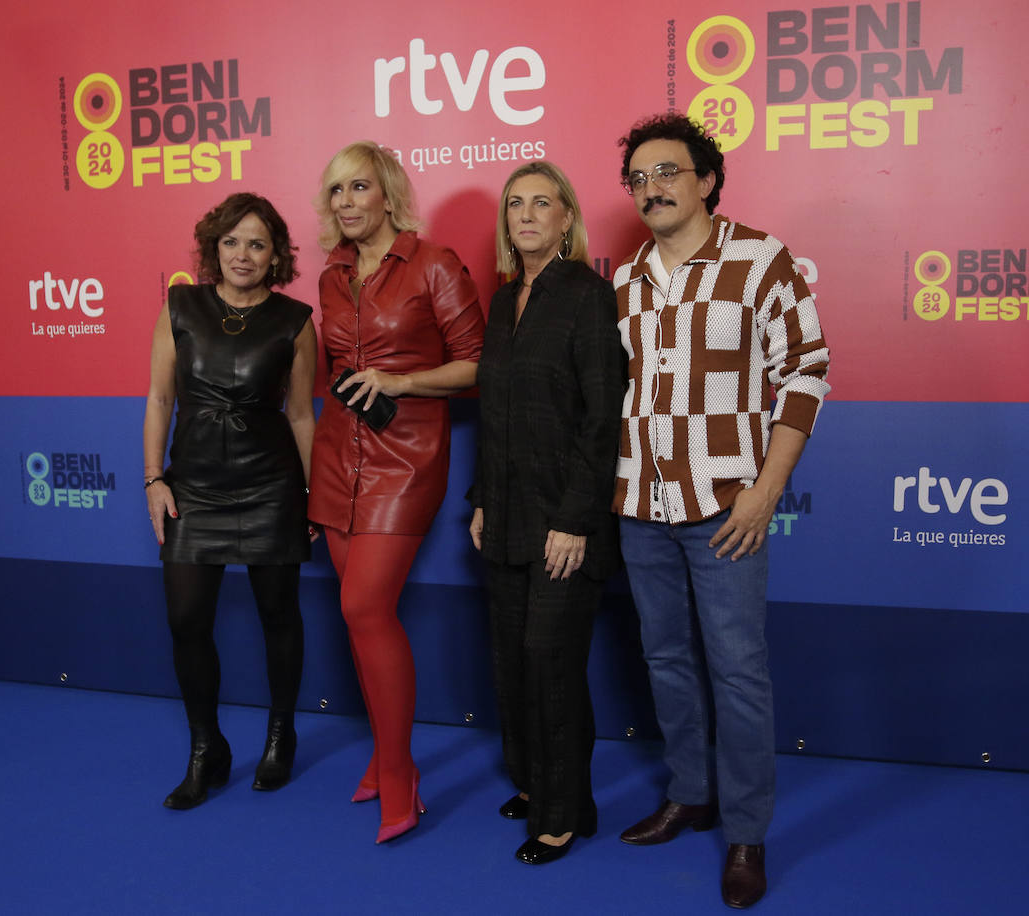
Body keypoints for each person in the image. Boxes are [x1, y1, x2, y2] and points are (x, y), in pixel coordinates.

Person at [610, 114, 830, 908]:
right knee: (666, 662)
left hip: (725, 508)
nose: (651, 189)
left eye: (667, 172)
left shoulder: (760, 260)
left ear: (706, 180)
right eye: (637, 178)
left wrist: (766, 489)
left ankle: (745, 833)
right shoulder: (627, 279)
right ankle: (690, 793)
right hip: (639, 504)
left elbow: (806, 373)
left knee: (738, 673)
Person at [307, 141, 484, 843]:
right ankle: (383, 762)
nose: (346, 203)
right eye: (336, 192)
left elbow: (476, 366)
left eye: (358, 188)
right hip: (336, 459)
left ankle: (401, 770)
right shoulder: (332, 277)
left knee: (364, 605)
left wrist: (403, 383)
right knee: (358, 617)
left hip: (405, 460)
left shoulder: (434, 265)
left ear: (387, 194)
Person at [468, 162, 623, 866]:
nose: (526, 214)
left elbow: (602, 420)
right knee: (512, 663)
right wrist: (477, 502)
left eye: (542, 203)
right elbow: (493, 415)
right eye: (515, 205)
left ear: (566, 218)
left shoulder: (589, 296)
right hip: (503, 514)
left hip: (565, 519)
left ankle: (561, 815)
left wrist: (576, 520)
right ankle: (543, 787)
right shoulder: (502, 303)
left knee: (550, 660)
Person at [143, 192, 317, 810]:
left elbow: (300, 415)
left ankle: (279, 732)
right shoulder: (181, 305)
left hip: (271, 485)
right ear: (214, 249)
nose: (243, 255)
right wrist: (152, 479)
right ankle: (205, 747)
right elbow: (160, 399)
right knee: (186, 622)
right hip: (193, 486)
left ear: (276, 256)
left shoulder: (295, 320)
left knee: (279, 617)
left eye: (257, 244)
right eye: (232, 242)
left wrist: (309, 492)